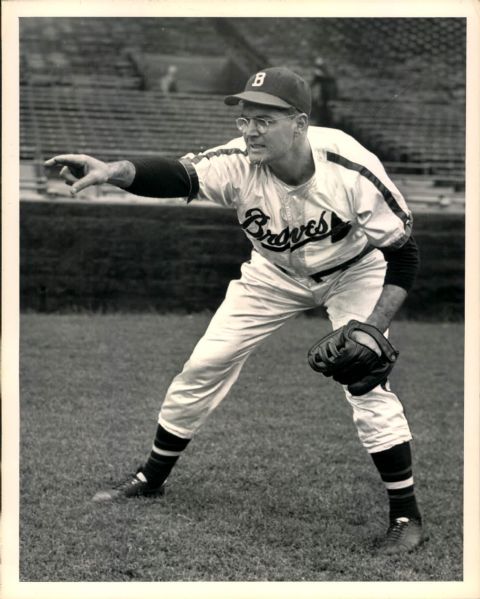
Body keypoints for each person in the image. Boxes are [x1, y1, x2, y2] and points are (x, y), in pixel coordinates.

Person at [45, 66, 424, 555]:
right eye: (246, 118)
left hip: (356, 270)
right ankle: (151, 478)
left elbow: (404, 253)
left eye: (265, 120)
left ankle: (406, 515)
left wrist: (373, 329)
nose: (250, 130)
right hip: (272, 274)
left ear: (301, 123)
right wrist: (112, 172)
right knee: (205, 363)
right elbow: (178, 175)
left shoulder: (351, 167)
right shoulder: (237, 161)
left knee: (366, 379)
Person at [309, 57, 338, 127]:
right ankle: (323, 122)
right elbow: (314, 82)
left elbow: (331, 79)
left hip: (328, 93)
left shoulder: (327, 73)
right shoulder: (320, 73)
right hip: (323, 94)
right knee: (322, 107)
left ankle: (328, 123)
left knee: (327, 108)